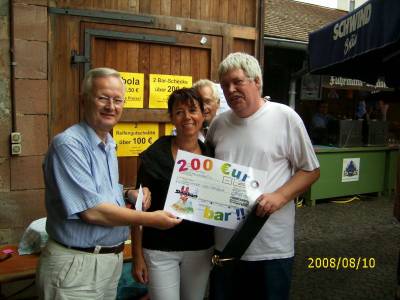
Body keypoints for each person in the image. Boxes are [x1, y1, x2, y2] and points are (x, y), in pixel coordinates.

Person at [36, 67, 181, 300]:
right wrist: (151, 219)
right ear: (83, 101)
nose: (111, 106)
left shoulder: (108, 144)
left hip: (106, 264)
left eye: (117, 100)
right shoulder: (69, 145)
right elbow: (92, 212)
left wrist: (129, 195)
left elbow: (99, 193)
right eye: (102, 98)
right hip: (77, 266)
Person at [207, 53, 320, 300]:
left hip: (270, 247)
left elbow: (311, 169)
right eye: (225, 85)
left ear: (257, 81)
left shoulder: (285, 117)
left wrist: (280, 196)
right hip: (226, 245)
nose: (231, 89)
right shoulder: (219, 124)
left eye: (237, 82)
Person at [131, 88, 214, 300]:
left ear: (203, 114)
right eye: (179, 112)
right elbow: (138, 208)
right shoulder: (154, 155)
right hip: (160, 249)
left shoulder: (212, 156)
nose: (187, 117)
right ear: (172, 118)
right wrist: (137, 256)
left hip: (200, 248)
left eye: (193, 110)